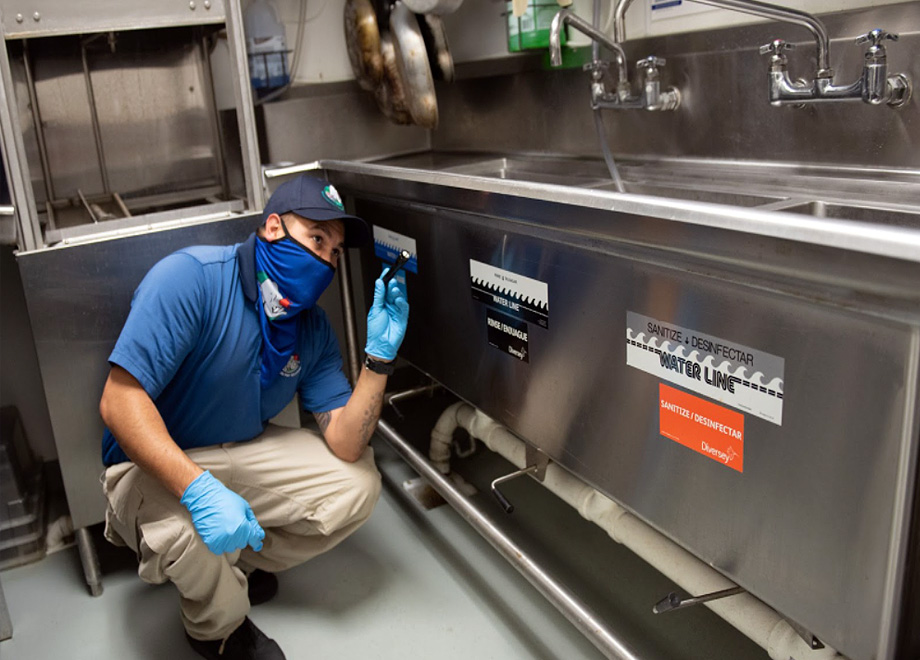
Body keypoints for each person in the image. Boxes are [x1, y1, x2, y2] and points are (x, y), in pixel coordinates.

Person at [98, 175, 409, 660]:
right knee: (183, 528)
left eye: (334, 252)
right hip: (147, 469)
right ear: (271, 228)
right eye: (316, 238)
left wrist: (378, 360)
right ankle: (218, 630)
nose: (326, 260)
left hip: (235, 455)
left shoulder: (311, 328)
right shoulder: (191, 278)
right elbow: (119, 402)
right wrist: (198, 492)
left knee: (356, 483)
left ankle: (227, 565)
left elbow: (346, 444)